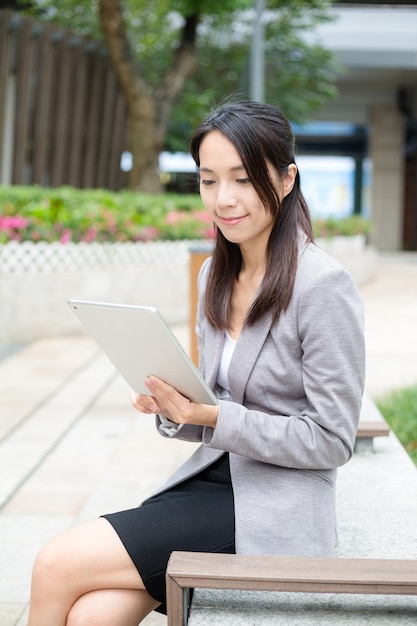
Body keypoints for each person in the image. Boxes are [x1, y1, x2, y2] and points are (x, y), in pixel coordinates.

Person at [28, 100, 365, 625]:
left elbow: (332, 440)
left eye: (243, 178)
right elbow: (214, 406)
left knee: (54, 564)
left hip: (274, 504)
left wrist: (209, 417)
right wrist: (174, 408)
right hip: (210, 482)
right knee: (96, 614)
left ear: (285, 180)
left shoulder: (324, 287)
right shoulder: (215, 276)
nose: (224, 199)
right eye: (209, 181)